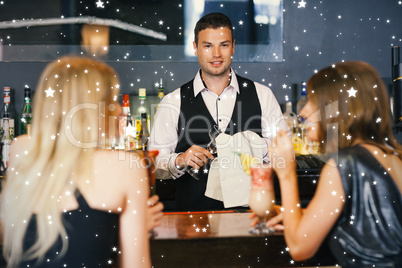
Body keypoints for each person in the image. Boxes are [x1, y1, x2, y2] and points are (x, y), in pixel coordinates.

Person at [1, 57, 162, 267]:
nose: (120, 111)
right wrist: (133, 228)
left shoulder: (21, 151)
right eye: (111, 102)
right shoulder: (125, 168)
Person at [254, 61, 402, 267]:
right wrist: (295, 213)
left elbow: (299, 248)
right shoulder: (393, 156)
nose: (303, 112)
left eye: (313, 101)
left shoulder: (343, 165)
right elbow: (368, 222)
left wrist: (286, 173)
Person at [149, 12, 288, 211]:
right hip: (193, 219)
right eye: (208, 46)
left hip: (252, 216)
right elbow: (154, 164)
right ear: (195, 48)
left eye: (223, 45)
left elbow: (285, 154)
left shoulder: (262, 95)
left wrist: (252, 145)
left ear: (233, 46)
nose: (216, 54)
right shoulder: (173, 101)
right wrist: (179, 160)